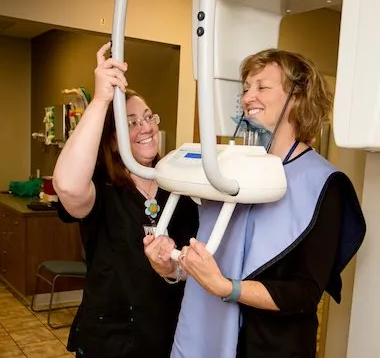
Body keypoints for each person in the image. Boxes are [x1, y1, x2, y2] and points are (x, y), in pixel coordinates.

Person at [144, 48, 366, 358]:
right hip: (204, 337)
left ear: (298, 96)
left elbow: (304, 293)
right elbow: (207, 257)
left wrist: (227, 288)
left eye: (262, 86)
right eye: (246, 87)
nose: (248, 97)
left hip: (273, 346)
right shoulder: (229, 171)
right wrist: (172, 267)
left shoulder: (324, 184)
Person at [53, 42, 199, 358]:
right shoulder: (102, 190)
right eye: (131, 122)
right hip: (109, 341)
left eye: (149, 117)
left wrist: (172, 269)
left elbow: (193, 261)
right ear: (113, 142)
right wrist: (102, 100)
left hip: (166, 336)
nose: (146, 127)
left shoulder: (179, 190)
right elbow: (66, 186)